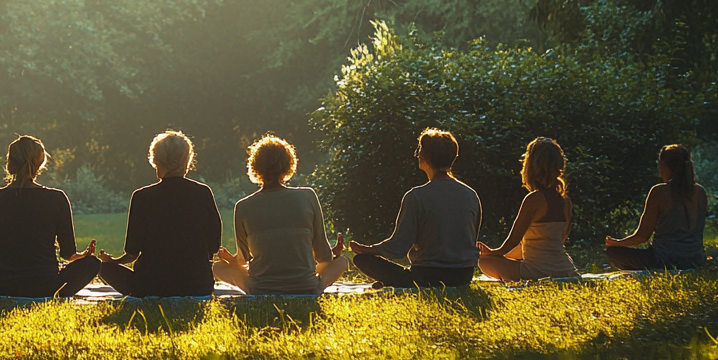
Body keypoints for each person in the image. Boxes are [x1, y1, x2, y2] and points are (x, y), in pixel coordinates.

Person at [0, 135, 100, 297]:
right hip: (45, 285)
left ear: (10, 164)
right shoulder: (57, 198)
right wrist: (82, 257)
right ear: (40, 163)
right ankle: (54, 292)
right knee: (92, 264)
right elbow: (68, 253)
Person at [212, 135, 351, 296]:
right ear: (289, 164)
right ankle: (315, 286)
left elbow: (243, 261)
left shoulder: (243, 206)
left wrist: (231, 260)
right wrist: (334, 253)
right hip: (306, 286)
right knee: (341, 262)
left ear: (255, 167)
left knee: (217, 267)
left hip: (260, 288)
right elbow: (324, 257)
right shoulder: (308, 196)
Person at [349, 128, 482, 288]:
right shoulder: (471, 195)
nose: (417, 154)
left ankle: (402, 280)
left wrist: (367, 249)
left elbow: (397, 248)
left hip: (426, 276)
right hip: (463, 275)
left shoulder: (416, 196)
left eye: (419, 150)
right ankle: (403, 278)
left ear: (424, 157)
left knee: (362, 260)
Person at [96, 131, 222, 297]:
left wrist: (114, 262)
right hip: (197, 285)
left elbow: (132, 252)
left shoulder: (142, 197)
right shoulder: (203, 193)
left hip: (151, 286)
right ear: (187, 161)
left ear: (155, 161)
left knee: (101, 267)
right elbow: (213, 246)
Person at [476, 138, 579, 282]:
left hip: (538, 272)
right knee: (491, 259)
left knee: (485, 262)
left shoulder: (533, 200)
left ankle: (523, 276)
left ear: (530, 167)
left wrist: (493, 253)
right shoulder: (565, 201)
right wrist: (498, 255)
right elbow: (556, 241)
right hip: (566, 269)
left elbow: (513, 240)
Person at [605, 144, 708, 271]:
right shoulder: (700, 192)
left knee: (613, 253)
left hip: (664, 259)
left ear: (664, 166)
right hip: (695, 259)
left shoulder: (659, 192)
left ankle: (651, 270)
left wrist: (616, 243)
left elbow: (642, 237)